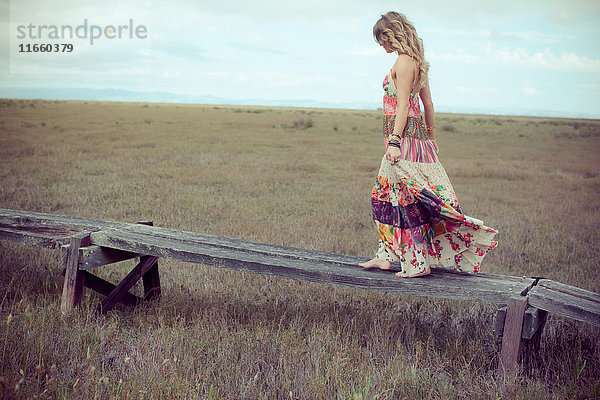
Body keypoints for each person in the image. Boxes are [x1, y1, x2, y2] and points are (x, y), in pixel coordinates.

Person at [359, 12, 498, 277]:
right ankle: (387, 256)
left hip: (403, 141)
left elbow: (402, 106)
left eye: (381, 38)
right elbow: (428, 105)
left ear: (392, 34)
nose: (380, 45)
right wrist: (431, 138)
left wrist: (395, 141)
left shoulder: (402, 62)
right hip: (417, 140)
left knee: (391, 200)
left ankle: (415, 264)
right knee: (398, 200)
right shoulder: (417, 62)